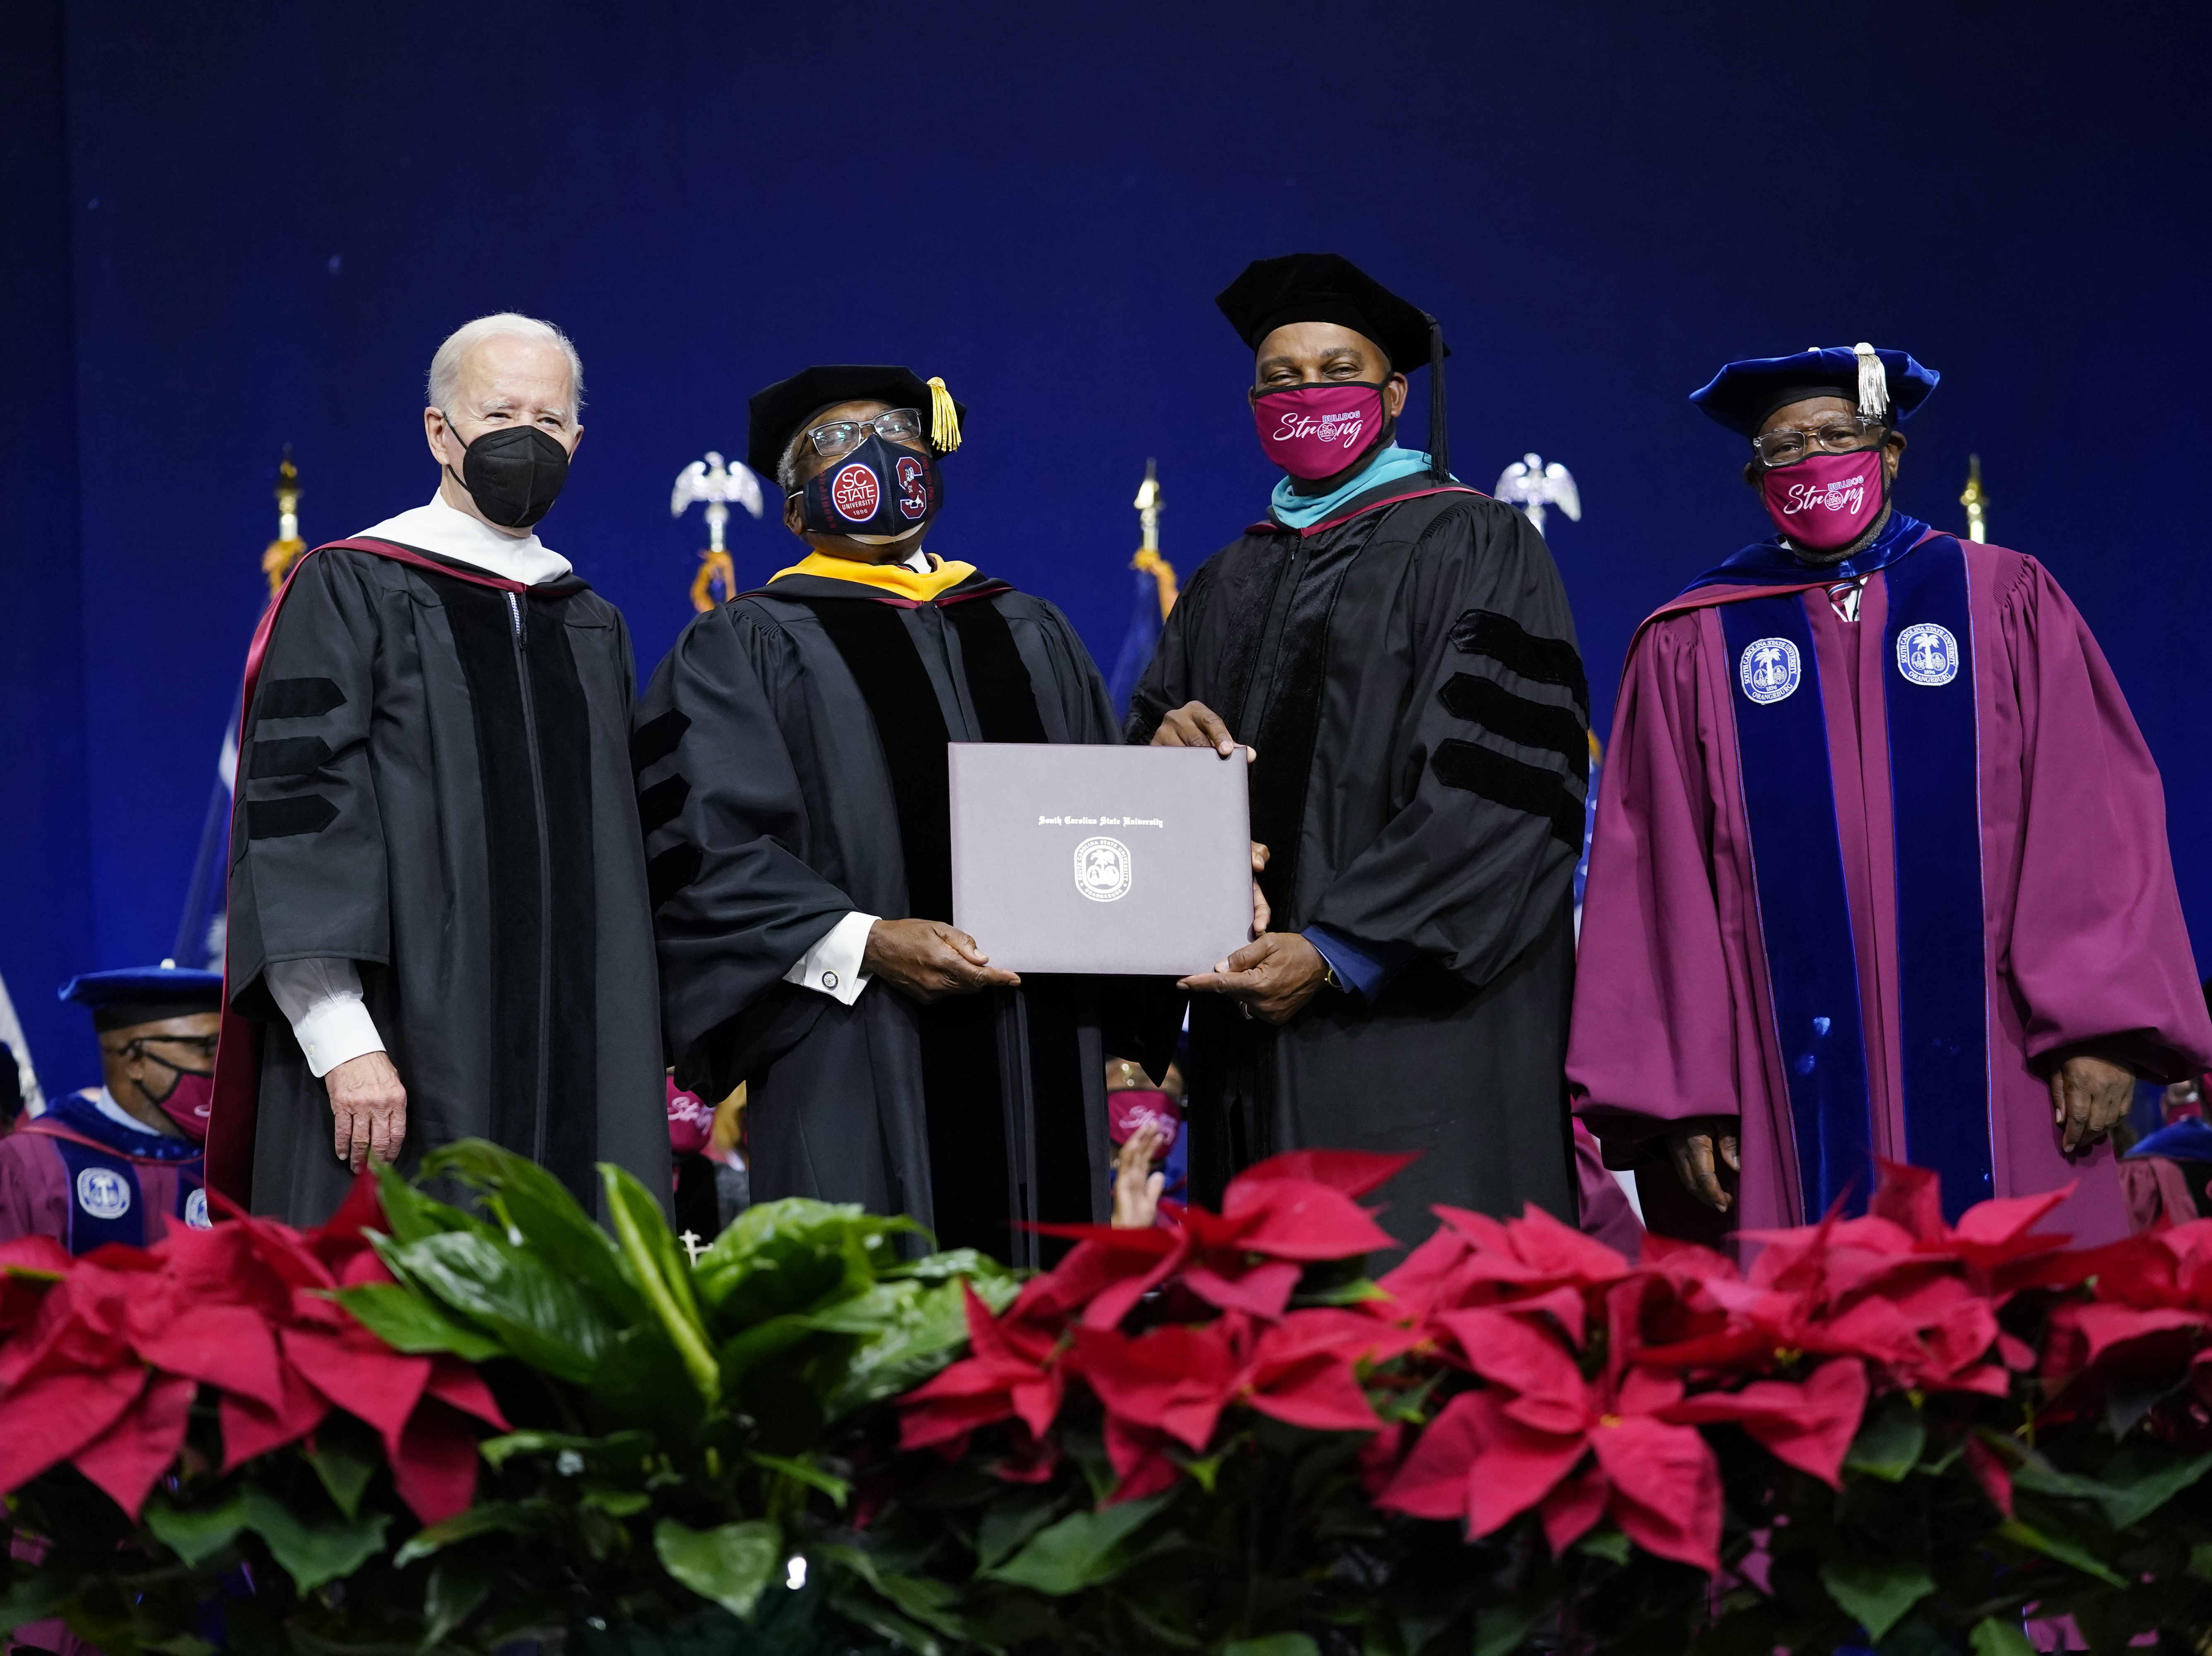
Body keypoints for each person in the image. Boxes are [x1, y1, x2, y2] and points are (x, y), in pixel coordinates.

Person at [1569, 344, 2212, 1244]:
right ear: (1755, 475)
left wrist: (2096, 1029)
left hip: (2006, 1063)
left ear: (1891, 451)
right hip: (1776, 1088)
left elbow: (2088, 824)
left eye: (1834, 435)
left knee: (2020, 1337)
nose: (1809, 461)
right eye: (1782, 448)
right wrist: (1679, 1094)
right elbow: (1654, 882)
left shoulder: (2005, 600)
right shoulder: (1694, 639)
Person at [636, 366, 1173, 1263]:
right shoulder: (742, 645)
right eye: (835, 443)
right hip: (850, 1042)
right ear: (795, 509)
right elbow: (699, 850)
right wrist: (866, 940)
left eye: (897, 431)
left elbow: (1100, 835)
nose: (878, 454)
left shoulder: (1027, 629)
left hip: (1038, 1044)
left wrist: (1180, 821)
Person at [1128, 253, 1587, 1241]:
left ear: (1392, 393)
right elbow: (1146, 786)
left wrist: (1339, 947)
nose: (1307, 393)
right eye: (1279, 378)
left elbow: (1505, 792)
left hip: (1420, 1029)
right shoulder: (1226, 578)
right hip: (1246, 1032)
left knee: (1412, 1324)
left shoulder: (1478, 545)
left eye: (1335, 370)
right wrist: (1158, 756)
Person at [210, 313, 667, 1224]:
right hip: (401, 1051)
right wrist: (342, 1040)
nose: (526, 438)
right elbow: (302, 814)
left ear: (579, 439)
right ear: (439, 432)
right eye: (500, 413)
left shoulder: (589, 622)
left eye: (549, 420)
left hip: (580, 1069)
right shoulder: (354, 586)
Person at [0, 968, 217, 1250]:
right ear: (134, 1059)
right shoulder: (31, 1164)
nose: (222, 1063)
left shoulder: (237, 1160)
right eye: (206, 1048)